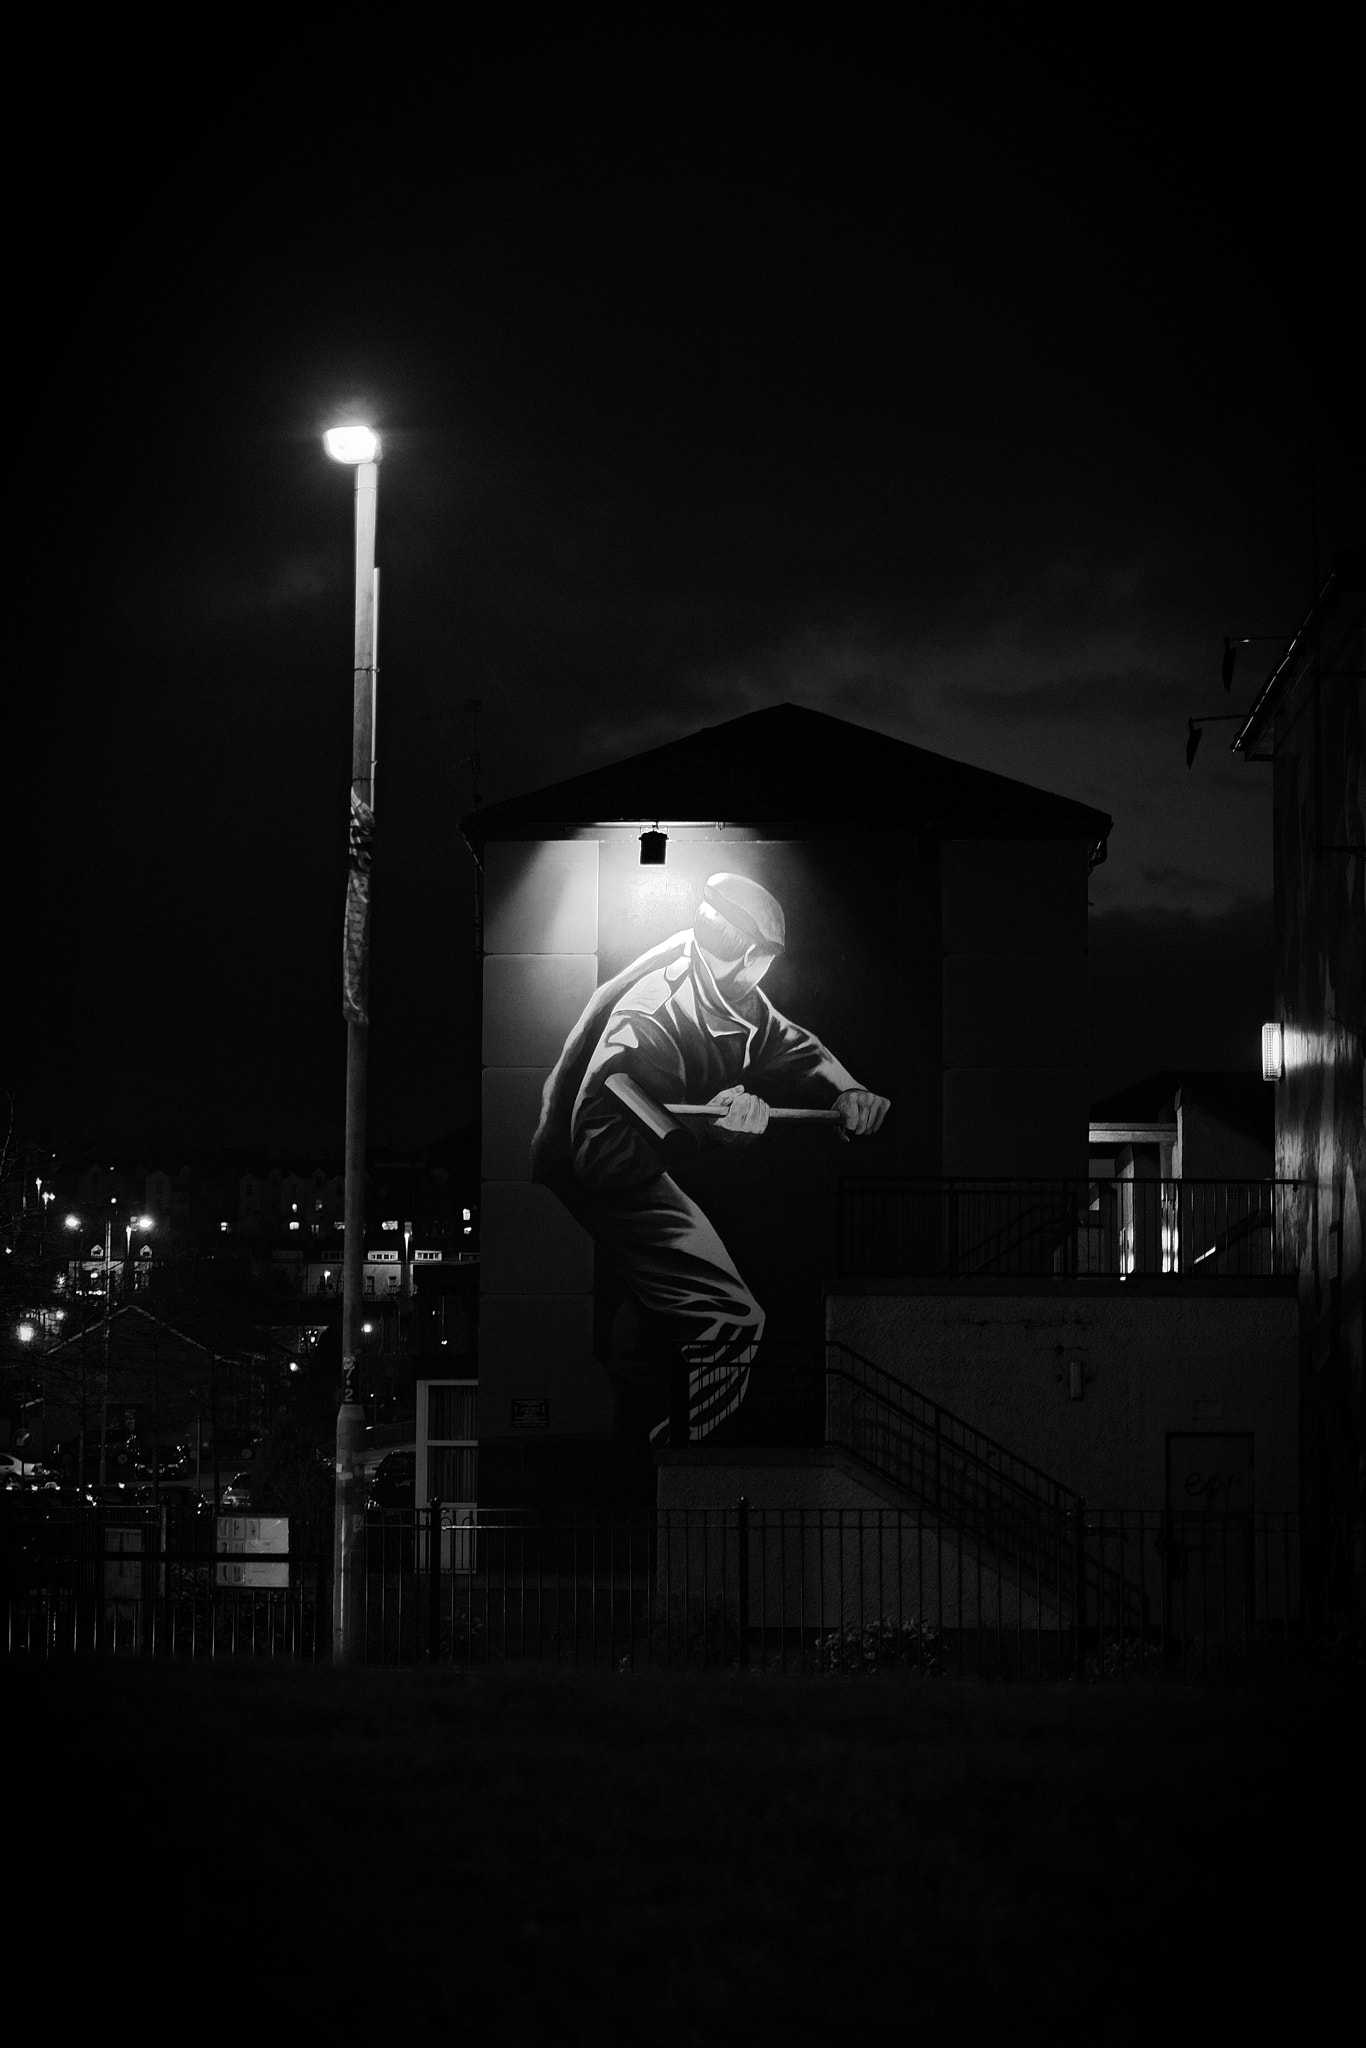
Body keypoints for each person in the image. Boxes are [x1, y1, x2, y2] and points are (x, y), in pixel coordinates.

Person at [531, 873, 889, 1439]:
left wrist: (846, 1090)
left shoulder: (724, 987)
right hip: (599, 1161)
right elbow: (598, 1156)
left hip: (625, 1147)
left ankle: (633, 1426)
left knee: (654, 1313)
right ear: (756, 956)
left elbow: (790, 1044)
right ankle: (684, 1459)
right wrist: (708, 1133)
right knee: (731, 1317)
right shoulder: (650, 1017)